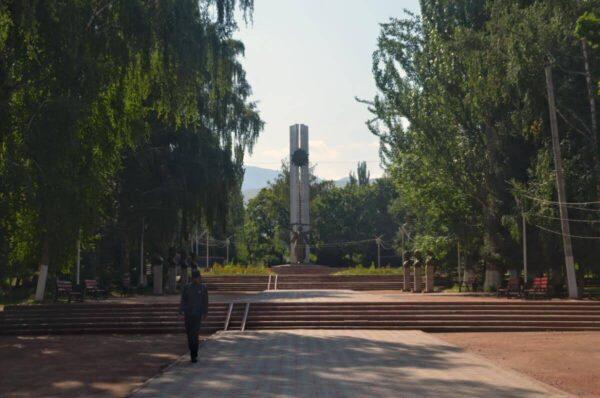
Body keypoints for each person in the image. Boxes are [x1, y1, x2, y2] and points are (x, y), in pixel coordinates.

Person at [179, 270, 209, 363]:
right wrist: (181, 310)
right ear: (193, 278)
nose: (198, 279)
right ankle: (192, 351)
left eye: (199, 277)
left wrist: (205, 312)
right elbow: (183, 300)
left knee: (195, 335)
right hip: (188, 314)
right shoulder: (187, 287)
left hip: (197, 314)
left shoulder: (203, 287)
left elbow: (205, 301)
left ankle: (194, 354)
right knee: (189, 335)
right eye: (196, 277)